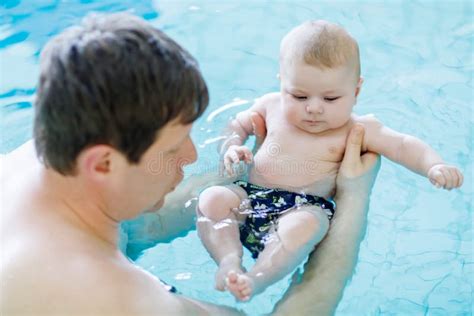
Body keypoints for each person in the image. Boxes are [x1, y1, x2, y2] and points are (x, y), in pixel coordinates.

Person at [0, 13, 379, 315]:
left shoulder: (42, 158)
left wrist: (263, 173)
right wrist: (352, 201)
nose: (193, 156)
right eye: (172, 149)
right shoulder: (111, 299)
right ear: (102, 163)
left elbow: (144, 219)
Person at [196, 20, 464, 301]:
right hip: (250, 197)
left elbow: (403, 145)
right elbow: (236, 125)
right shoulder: (270, 106)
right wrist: (231, 147)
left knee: (306, 225)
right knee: (212, 198)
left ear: (356, 92)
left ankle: (257, 278)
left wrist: (433, 165)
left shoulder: (358, 129)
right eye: (298, 95)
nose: (313, 108)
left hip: (301, 208)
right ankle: (228, 261)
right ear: (281, 83)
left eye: (331, 98)